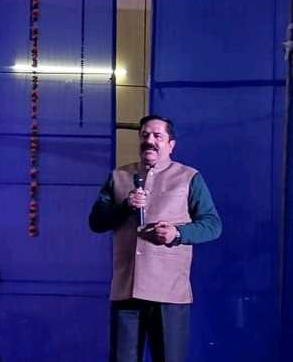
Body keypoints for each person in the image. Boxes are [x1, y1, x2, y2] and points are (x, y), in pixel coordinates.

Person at [88, 115, 222, 362]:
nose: (149, 140)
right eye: (144, 135)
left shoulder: (189, 177)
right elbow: (96, 222)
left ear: (171, 144)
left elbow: (213, 225)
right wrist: (126, 206)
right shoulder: (118, 176)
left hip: (169, 293)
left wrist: (177, 233)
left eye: (157, 136)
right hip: (126, 292)